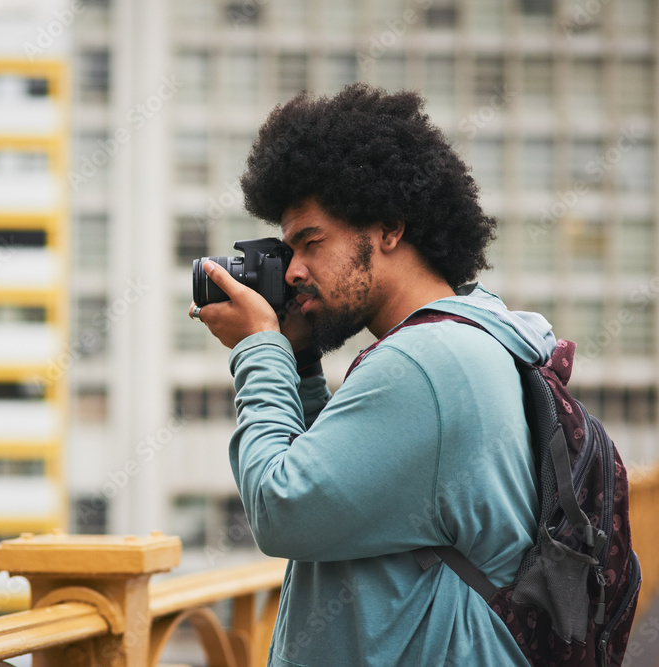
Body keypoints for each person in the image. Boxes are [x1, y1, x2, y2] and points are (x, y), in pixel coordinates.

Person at [189, 83, 555, 665]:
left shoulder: (427, 363)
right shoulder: (469, 337)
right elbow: (341, 485)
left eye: (311, 242)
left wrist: (259, 348)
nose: (295, 272)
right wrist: (300, 360)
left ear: (388, 228)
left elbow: (282, 507)